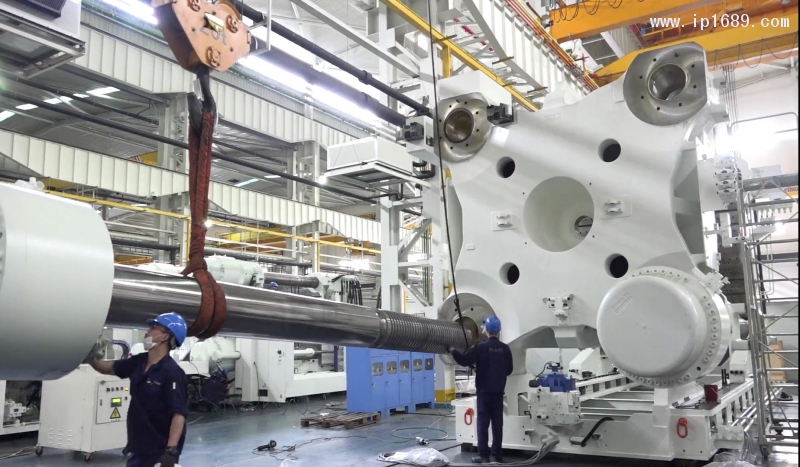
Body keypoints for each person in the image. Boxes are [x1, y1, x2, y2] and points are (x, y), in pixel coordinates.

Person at [87, 312, 189, 467]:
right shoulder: (139, 362)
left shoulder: (172, 373)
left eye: (153, 328)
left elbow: (178, 415)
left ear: (164, 337)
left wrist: (171, 451)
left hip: (159, 452)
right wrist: (90, 355)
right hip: (138, 448)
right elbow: (107, 368)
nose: (148, 332)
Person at [450, 315, 513, 464]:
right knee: (497, 425)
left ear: (486, 330)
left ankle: (484, 455)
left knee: (483, 424)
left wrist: (453, 351)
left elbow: (464, 361)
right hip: (498, 392)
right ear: (499, 330)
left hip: (484, 393)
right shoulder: (505, 349)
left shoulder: (481, 347)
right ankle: (497, 456)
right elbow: (509, 370)